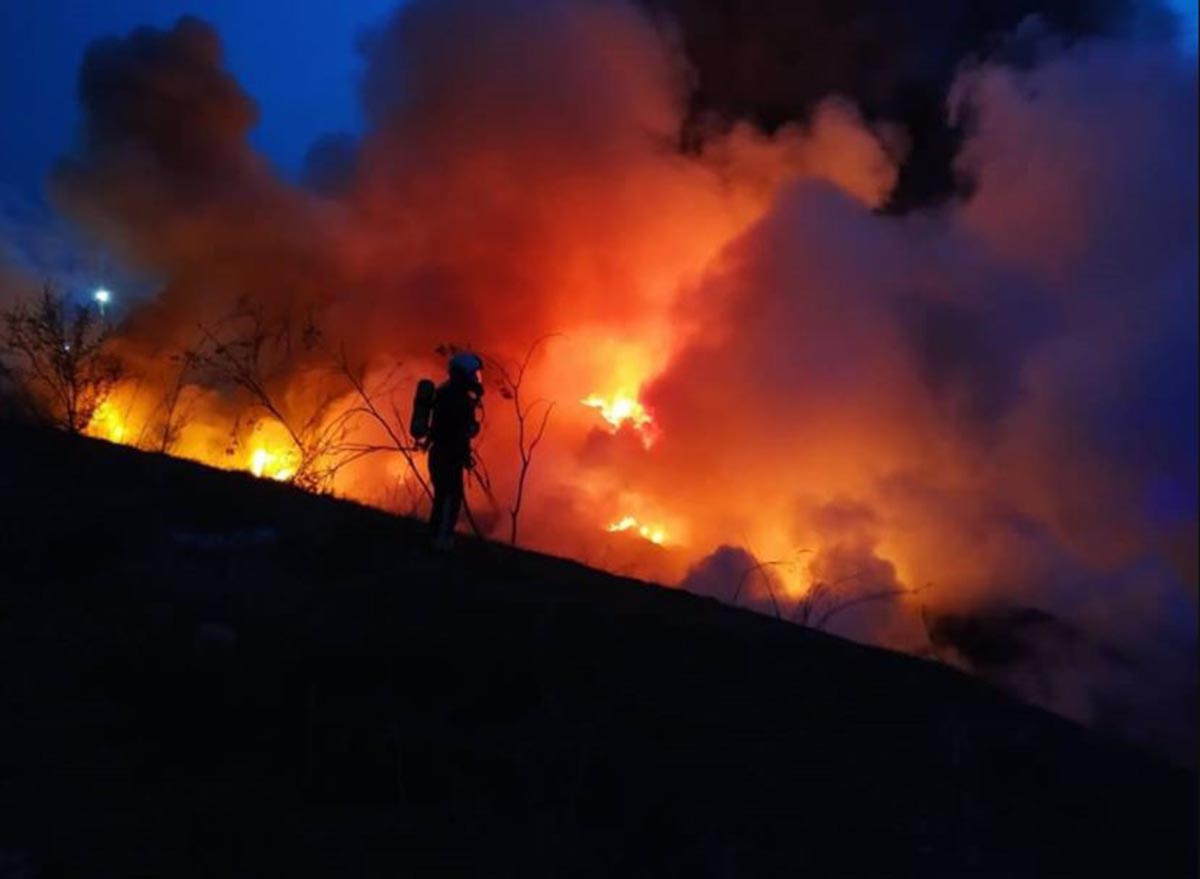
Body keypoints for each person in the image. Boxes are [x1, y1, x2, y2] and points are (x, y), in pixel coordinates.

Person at [427, 351, 483, 551]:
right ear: (463, 374)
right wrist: (471, 429)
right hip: (447, 454)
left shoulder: (448, 392)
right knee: (449, 498)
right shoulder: (456, 398)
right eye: (474, 374)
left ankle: (438, 538)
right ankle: (441, 541)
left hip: (445, 453)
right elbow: (457, 430)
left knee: (445, 497)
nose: (477, 378)